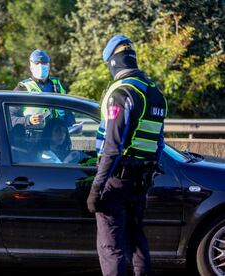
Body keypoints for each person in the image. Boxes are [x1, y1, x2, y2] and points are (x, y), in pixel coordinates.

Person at [86, 35, 167, 276]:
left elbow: (112, 146)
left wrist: (96, 187)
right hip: (140, 179)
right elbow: (159, 143)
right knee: (137, 240)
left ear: (112, 62)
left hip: (117, 179)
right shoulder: (155, 93)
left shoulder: (122, 92)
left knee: (111, 246)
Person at [12, 49, 74, 127]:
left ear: (49, 66)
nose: (40, 66)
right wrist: (29, 120)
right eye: (37, 63)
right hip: (34, 137)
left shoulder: (57, 84)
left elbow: (67, 111)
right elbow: (10, 118)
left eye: (44, 63)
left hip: (58, 135)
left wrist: (73, 125)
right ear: (31, 67)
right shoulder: (22, 87)